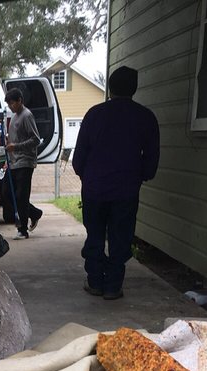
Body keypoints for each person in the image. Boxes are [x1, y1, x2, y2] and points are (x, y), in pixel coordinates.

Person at [72, 65, 159, 300]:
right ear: (134, 88)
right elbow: (151, 159)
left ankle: (95, 282)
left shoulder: (95, 114)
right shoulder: (145, 117)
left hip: (95, 189)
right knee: (121, 237)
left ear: (110, 87)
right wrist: (141, 175)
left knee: (95, 236)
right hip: (126, 190)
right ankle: (112, 286)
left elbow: (79, 156)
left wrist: (85, 175)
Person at [4, 88, 44, 240]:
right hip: (13, 162)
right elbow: (14, 138)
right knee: (7, 192)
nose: (10, 106)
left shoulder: (27, 116)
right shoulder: (14, 117)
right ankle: (34, 213)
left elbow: (35, 139)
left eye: (12, 103)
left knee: (21, 195)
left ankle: (23, 230)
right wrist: (9, 143)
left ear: (20, 100)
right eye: (8, 104)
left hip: (25, 161)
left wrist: (16, 146)